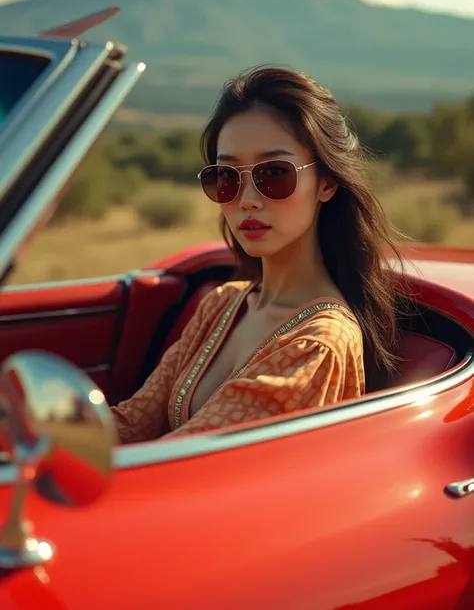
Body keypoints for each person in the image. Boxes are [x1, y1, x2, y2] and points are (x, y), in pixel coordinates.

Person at [111, 66, 403, 444]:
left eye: (274, 174)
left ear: (326, 183)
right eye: (228, 177)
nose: (247, 200)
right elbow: (134, 421)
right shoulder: (222, 305)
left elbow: (183, 462)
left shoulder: (316, 344)